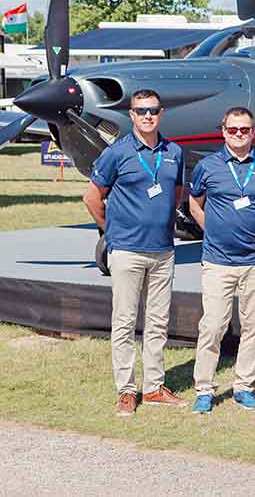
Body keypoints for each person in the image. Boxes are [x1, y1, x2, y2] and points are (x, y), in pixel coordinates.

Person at [82, 89, 187, 417]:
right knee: (125, 321)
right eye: (141, 111)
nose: (147, 116)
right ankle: (127, 390)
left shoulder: (174, 152)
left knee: (158, 322)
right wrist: (112, 232)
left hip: (163, 251)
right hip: (126, 250)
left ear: (161, 113)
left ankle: (155, 387)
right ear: (131, 115)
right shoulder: (118, 152)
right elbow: (92, 198)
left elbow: (177, 193)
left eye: (153, 110)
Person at [188, 107, 255, 414]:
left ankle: (244, 386)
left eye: (245, 130)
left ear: (253, 132)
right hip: (218, 261)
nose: (239, 135)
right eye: (233, 130)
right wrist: (211, 229)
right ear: (223, 131)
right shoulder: (207, 166)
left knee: (254, 326)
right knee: (213, 326)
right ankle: (204, 388)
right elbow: (194, 204)